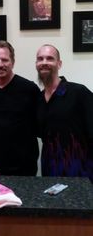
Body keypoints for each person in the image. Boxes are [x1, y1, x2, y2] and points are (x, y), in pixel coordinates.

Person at [0, 41, 40, 175]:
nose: (0, 64)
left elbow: (38, 124)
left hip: (24, 166)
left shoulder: (29, 89)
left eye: (5, 60)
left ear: (13, 61)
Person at [36, 44, 93, 181]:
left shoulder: (79, 93)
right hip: (50, 172)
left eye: (50, 58)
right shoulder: (38, 98)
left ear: (59, 63)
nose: (44, 62)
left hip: (81, 173)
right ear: (36, 64)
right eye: (40, 59)